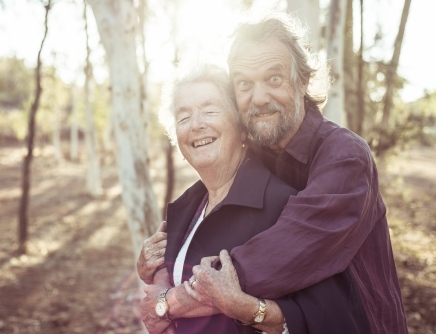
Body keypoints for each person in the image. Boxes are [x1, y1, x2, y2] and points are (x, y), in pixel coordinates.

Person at [139, 13, 408, 334]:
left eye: (274, 78)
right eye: (244, 84)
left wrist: (168, 302)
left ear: (304, 79)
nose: (260, 97)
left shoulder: (344, 156)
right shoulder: (259, 154)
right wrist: (157, 268)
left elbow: (280, 256)